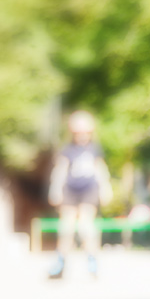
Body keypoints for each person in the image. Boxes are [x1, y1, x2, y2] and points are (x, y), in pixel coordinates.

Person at [46, 111, 113, 279]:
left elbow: (100, 168)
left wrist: (106, 187)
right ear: (73, 133)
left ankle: (92, 262)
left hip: (89, 189)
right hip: (70, 189)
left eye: (85, 133)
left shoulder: (94, 148)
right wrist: (55, 188)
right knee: (66, 227)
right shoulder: (67, 149)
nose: (82, 136)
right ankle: (60, 263)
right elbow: (60, 169)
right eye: (78, 133)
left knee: (86, 225)